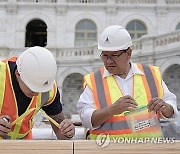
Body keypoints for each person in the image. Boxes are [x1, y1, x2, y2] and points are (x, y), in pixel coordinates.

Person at [77, 25, 179, 140]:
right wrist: (112, 110)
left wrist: (165, 107)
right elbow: (85, 119)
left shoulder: (151, 74)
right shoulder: (94, 81)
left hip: (150, 149)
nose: (108, 61)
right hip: (108, 150)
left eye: (114, 55)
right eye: (104, 56)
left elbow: (171, 110)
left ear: (129, 53)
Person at [0, 46, 75, 140]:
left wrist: (67, 131)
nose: (36, 94)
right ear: (18, 74)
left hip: (24, 145)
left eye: (40, 90)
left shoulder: (48, 89)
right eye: (32, 87)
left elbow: (60, 131)